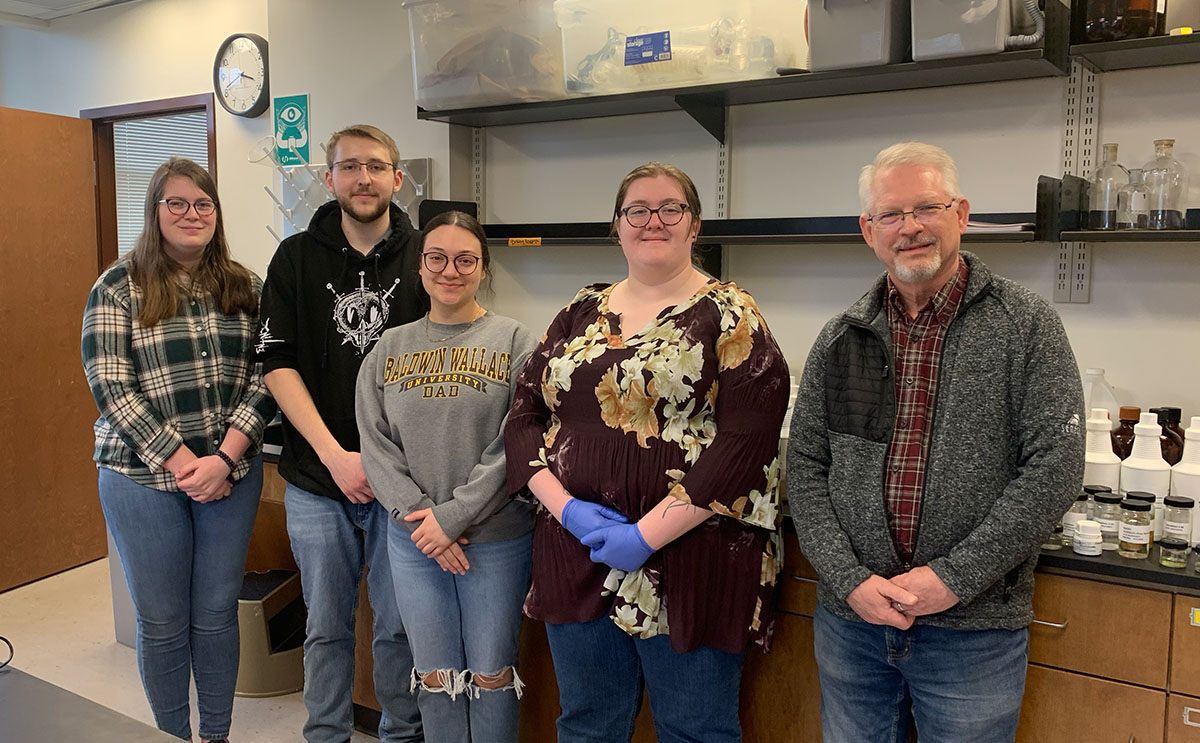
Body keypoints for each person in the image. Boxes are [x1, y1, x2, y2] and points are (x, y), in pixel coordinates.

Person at [788, 141, 1085, 743]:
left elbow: (1055, 468)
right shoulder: (843, 336)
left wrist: (952, 577)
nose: (911, 227)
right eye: (891, 215)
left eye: (927, 207)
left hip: (971, 631)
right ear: (868, 230)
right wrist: (848, 579)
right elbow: (806, 466)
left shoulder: (1025, 326)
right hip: (855, 626)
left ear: (961, 214)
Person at [504, 162, 790, 743]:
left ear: (694, 225)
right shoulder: (579, 311)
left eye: (670, 209)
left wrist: (645, 536)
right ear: (618, 226)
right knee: (587, 725)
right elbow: (522, 417)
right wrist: (568, 510)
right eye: (638, 210)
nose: (653, 221)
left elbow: (747, 444)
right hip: (576, 551)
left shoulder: (732, 315)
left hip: (694, 560)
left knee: (694, 729)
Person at [81, 158, 276, 743]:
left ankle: (215, 735)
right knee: (163, 621)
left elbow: (269, 376)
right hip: (140, 476)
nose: (192, 214)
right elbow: (111, 384)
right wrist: (181, 459)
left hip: (230, 476)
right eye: (178, 203)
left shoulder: (248, 286)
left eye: (204, 205)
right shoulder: (118, 286)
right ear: (155, 211)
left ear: (216, 214)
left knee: (216, 615)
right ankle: (171, 735)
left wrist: (223, 459)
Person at [257, 124, 426, 743]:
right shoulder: (295, 257)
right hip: (315, 476)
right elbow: (278, 362)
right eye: (349, 167)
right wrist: (336, 458)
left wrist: (381, 467)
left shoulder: (424, 256)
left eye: (376, 167)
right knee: (325, 624)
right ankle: (325, 734)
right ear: (328, 179)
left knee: (398, 626)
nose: (363, 178)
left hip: (403, 484)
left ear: (396, 179)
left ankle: (401, 734)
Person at [356, 210, 537, 743]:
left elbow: (517, 441)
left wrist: (452, 517)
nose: (450, 270)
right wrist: (425, 524)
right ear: (420, 266)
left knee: (491, 674)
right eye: (437, 258)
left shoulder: (514, 341)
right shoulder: (389, 347)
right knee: (434, 677)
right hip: (413, 541)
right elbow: (376, 444)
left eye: (465, 260)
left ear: (483, 268)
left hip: (495, 540)